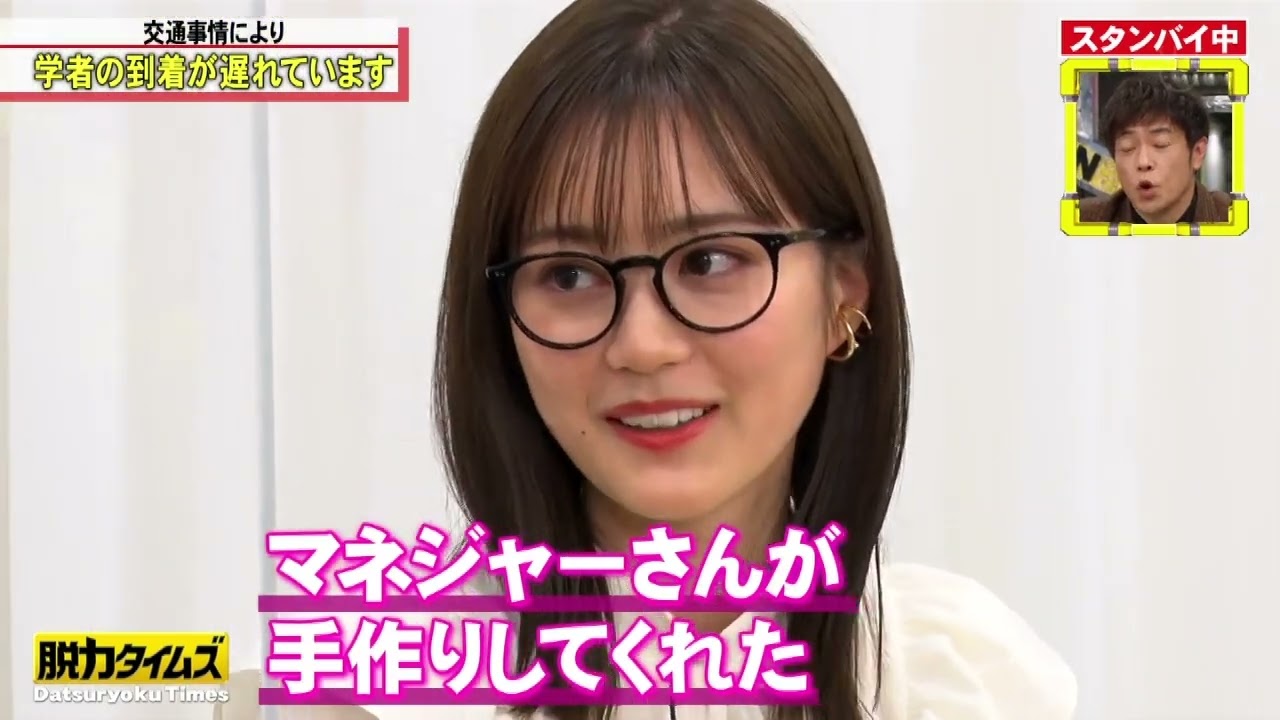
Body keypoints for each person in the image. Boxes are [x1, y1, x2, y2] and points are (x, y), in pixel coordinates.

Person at [219, 1, 1076, 718]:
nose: (641, 344)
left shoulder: (963, 682)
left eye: (711, 260)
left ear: (845, 292)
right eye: (568, 275)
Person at [1079, 73, 1231, 225]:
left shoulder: (1235, 220)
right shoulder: (1080, 222)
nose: (1143, 162)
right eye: (1127, 147)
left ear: (1198, 152)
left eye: (1160, 144)